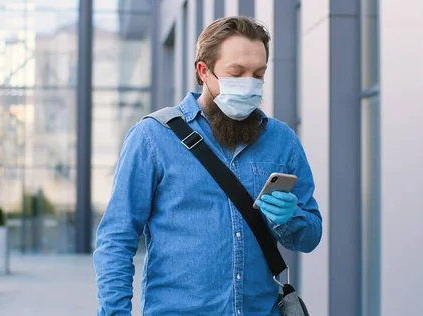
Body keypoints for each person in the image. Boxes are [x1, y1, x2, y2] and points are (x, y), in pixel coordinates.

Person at [93, 16, 322, 315]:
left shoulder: (281, 140)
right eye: (236, 73)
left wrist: (291, 218)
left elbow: (310, 236)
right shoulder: (152, 138)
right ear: (204, 71)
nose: (249, 84)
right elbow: (116, 240)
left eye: (258, 74)